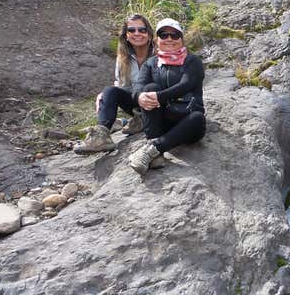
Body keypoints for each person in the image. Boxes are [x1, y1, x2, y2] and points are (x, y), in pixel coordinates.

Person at [128, 18, 206, 175]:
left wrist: (158, 97)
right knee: (148, 88)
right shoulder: (151, 63)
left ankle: (153, 149)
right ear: (157, 40)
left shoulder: (192, 61)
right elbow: (138, 85)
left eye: (175, 35)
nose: (169, 39)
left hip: (186, 121)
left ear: (181, 40)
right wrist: (139, 97)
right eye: (164, 35)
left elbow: (186, 84)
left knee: (198, 118)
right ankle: (154, 148)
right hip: (161, 121)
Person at [74, 14, 153, 154]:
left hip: (156, 101)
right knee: (109, 91)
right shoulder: (123, 57)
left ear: (149, 33)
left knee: (148, 87)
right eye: (132, 30)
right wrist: (106, 96)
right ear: (126, 35)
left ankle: (141, 120)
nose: (137, 33)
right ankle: (100, 137)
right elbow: (121, 85)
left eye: (142, 30)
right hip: (135, 102)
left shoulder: (159, 53)